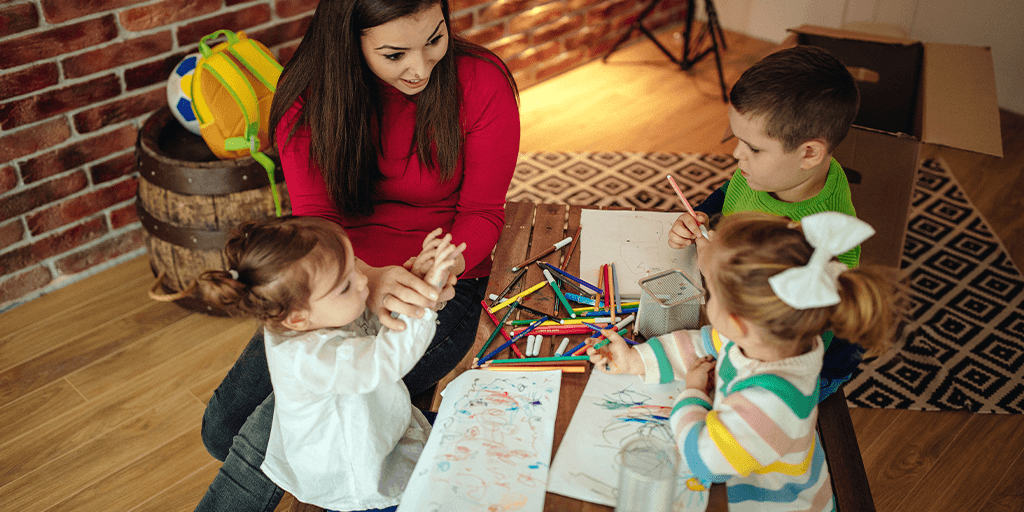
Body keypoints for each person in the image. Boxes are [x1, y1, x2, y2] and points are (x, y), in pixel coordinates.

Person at [195, 0, 520, 508]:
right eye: (395, 54)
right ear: (349, 39)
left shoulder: (481, 82)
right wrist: (365, 278)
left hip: (435, 289)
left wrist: (442, 265)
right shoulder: (306, 98)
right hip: (334, 281)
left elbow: (482, 212)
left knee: (271, 433)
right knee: (222, 429)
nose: (420, 68)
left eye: (435, 39)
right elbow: (316, 225)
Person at [588, 211, 896, 511]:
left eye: (711, 292)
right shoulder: (779, 339)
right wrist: (634, 360)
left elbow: (706, 462)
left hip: (769, 502)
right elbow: (700, 346)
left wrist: (693, 395)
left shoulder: (771, 403)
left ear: (737, 322)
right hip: (743, 470)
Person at [194, 216, 463, 511]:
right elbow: (384, 360)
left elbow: (372, 326)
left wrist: (416, 286)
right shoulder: (309, 358)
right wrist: (425, 302)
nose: (363, 280)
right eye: (346, 285)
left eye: (354, 267)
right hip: (356, 477)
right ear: (297, 317)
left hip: (383, 431)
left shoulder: (306, 317)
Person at [668, 45, 863, 401]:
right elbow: (733, 191)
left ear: (809, 153)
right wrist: (701, 214)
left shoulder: (821, 239)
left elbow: (795, 335)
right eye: (737, 140)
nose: (736, 155)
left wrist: (719, 265)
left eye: (753, 148)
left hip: (788, 358)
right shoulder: (768, 174)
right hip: (740, 318)